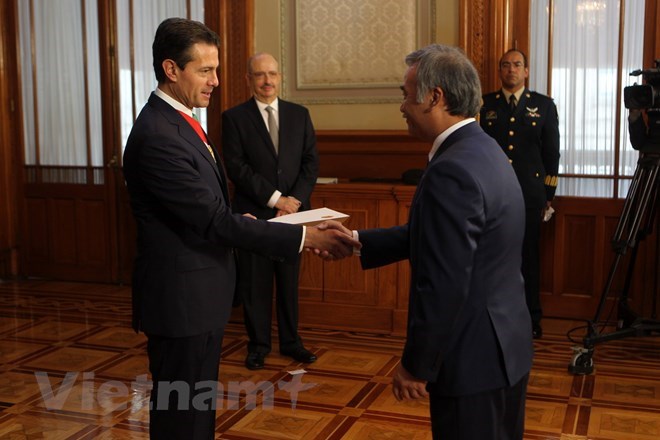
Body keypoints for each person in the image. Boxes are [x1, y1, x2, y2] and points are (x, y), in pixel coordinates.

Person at [122, 18, 357, 440]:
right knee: (181, 420)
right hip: (182, 305)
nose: (215, 81)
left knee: (195, 413)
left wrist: (244, 219)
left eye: (216, 69)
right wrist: (305, 236)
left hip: (200, 298)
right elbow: (213, 221)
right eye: (205, 70)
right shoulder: (159, 134)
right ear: (172, 69)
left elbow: (208, 212)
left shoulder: (182, 121)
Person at [352, 44, 533, 439]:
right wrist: (355, 240)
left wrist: (416, 365)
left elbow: (443, 282)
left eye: (405, 94)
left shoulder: (450, 169)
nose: (401, 105)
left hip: (472, 360)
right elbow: (445, 239)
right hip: (505, 348)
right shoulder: (484, 149)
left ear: (435, 96)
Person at [221, 53, 319, 370]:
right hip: (255, 216)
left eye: (273, 74)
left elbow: (310, 164)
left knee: (289, 282)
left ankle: (292, 343)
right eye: (260, 75)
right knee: (255, 284)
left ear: (280, 77)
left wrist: (294, 202)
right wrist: (277, 199)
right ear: (249, 79)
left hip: (294, 217)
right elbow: (237, 168)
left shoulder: (299, 115)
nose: (267, 81)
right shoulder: (234, 118)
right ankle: (258, 345)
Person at [480, 49, 560, 339]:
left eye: (517, 65)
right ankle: (492, 314)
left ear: (526, 71)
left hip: (529, 195)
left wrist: (548, 193)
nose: (511, 70)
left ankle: (531, 317)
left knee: (528, 257)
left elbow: (552, 153)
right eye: (505, 65)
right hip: (493, 193)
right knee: (493, 255)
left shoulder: (543, 105)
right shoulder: (485, 104)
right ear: (499, 71)